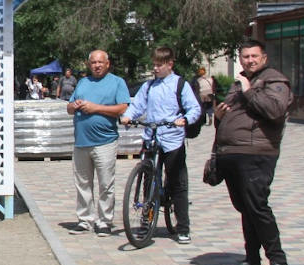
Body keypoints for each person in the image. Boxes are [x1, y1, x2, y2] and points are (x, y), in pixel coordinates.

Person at [214, 40, 293, 265]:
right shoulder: (241, 83)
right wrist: (219, 117)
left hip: (256, 154)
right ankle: (252, 258)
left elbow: (274, 111)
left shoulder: (274, 81)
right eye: (245, 56)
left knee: (257, 206)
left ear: (264, 58)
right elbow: (231, 115)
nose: (249, 60)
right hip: (233, 153)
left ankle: (279, 261)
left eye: (253, 56)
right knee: (246, 208)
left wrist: (248, 91)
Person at [121, 46, 202, 244]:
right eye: (154, 65)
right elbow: (137, 105)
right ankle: (147, 222)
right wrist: (128, 116)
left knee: (177, 183)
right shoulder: (149, 86)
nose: (155, 69)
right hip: (152, 138)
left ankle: (183, 228)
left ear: (169, 64)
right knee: (148, 181)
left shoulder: (180, 84)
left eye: (159, 65)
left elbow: (194, 108)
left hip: (172, 139)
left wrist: (185, 119)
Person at [66, 50, 130, 236]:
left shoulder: (117, 82)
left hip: (105, 142)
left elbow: (123, 108)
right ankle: (84, 220)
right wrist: (74, 105)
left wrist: (96, 108)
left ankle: (104, 221)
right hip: (81, 142)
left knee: (105, 184)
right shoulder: (83, 82)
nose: (97, 65)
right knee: (83, 183)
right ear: (89, 64)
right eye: (93, 62)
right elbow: (69, 108)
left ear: (108, 63)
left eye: (100, 62)